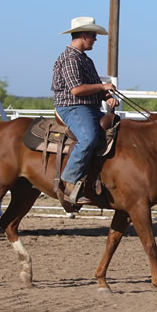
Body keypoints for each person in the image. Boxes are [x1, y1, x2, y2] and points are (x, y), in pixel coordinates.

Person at [52, 16, 119, 205]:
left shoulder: (85, 60)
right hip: (72, 106)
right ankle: (69, 184)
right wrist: (103, 88)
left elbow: (95, 86)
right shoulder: (70, 59)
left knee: (117, 128)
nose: (95, 39)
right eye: (93, 35)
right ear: (83, 35)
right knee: (88, 138)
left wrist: (107, 97)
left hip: (89, 106)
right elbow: (77, 90)